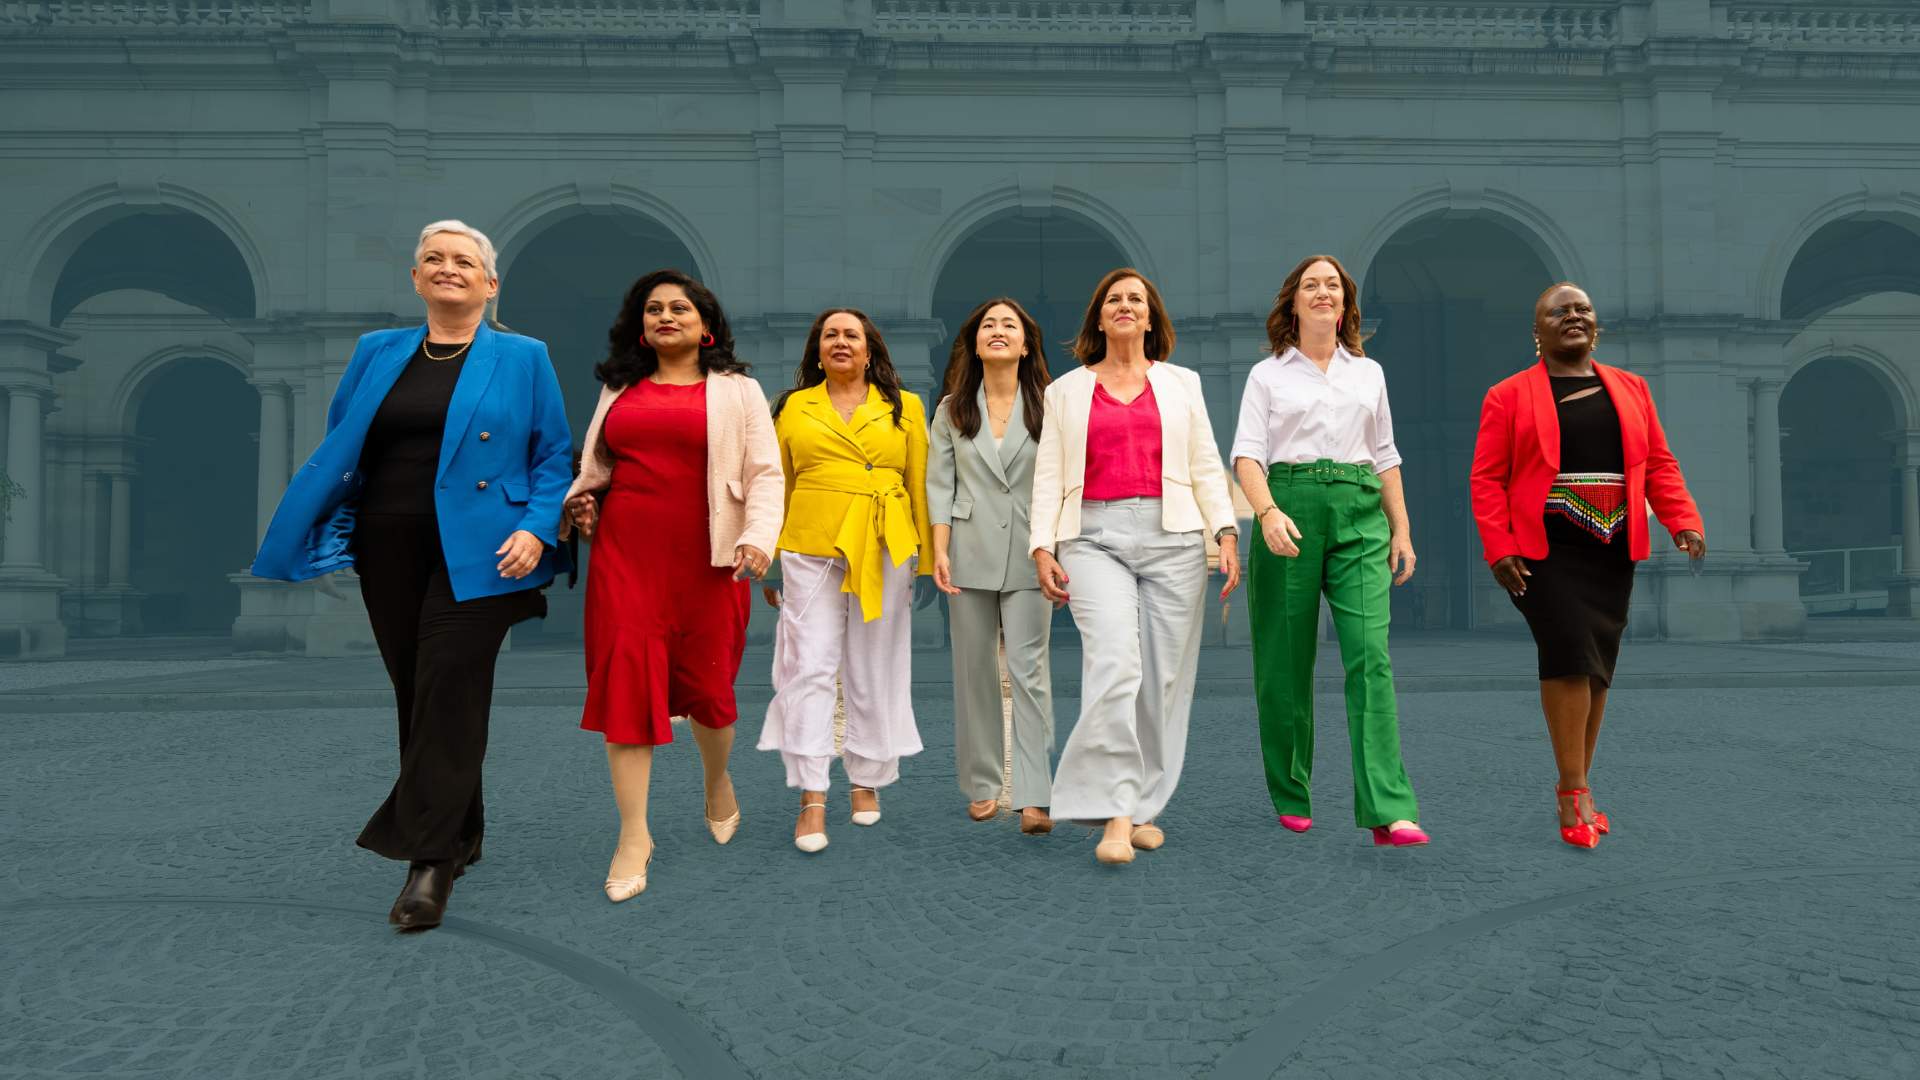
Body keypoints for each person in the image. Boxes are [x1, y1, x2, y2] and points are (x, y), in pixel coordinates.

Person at [252, 220, 572, 930]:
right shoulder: (379, 352)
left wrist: (535, 524)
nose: (447, 267)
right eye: (434, 258)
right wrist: (329, 524)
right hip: (388, 543)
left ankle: (428, 863)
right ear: (416, 277)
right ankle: (464, 825)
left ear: (490, 284)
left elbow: (554, 453)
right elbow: (347, 441)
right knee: (418, 691)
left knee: (447, 681)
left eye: (464, 260)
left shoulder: (523, 356)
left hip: (489, 549)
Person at [560, 269, 781, 901]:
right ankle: (635, 835)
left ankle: (718, 780)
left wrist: (759, 539)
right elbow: (596, 465)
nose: (665, 316)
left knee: (708, 689)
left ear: (704, 326)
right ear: (640, 326)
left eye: (679, 308)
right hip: (626, 556)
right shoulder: (618, 389)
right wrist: (582, 502)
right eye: (653, 309)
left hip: (711, 560)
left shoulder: (739, 391)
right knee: (627, 682)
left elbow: (766, 474)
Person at [1470, 282, 1705, 849]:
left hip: (1611, 549)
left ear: (1595, 325)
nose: (1573, 316)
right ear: (1538, 332)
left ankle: (1578, 782)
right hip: (1541, 553)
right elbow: (1487, 479)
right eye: (1559, 311)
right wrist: (1499, 547)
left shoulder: (1632, 389)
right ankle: (1574, 793)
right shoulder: (1507, 395)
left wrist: (1683, 520)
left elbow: (1660, 465)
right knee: (1569, 654)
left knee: (1597, 665)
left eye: (1583, 309)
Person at [1029, 268, 1241, 866]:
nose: (1125, 306)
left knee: (1165, 680)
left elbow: (1204, 464)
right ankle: (1116, 815)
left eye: (1136, 300)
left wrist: (1224, 531)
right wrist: (1041, 546)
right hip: (1092, 537)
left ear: (1151, 319)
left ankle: (1145, 805)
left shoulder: (1183, 384)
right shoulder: (1065, 390)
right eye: (1114, 300)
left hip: (1173, 536)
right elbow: (1048, 476)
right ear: (1099, 318)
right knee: (1116, 665)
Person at [1230, 254, 1429, 848]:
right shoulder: (1267, 376)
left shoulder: (1370, 374)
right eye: (1311, 285)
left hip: (1360, 510)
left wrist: (1402, 529)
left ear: (1346, 305)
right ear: (1294, 302)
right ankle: (1292, 789)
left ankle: (1389, 808)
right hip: (1287, 506)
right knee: (1285, 660)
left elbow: (1387, 455)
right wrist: (1265, 513)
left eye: (1333, 286)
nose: (1323, 293)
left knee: (1370, 655)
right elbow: (1247, 456)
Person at [759, 309, 934, 853]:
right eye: (830, 335)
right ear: (817, 350)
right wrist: (768, 558)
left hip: (886, 541)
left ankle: (867, 781)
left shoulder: (905, 406)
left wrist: (925, 559)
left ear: (869, 350)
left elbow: (920, 481)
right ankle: (812, 794)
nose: (840, 342)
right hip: (810, 543)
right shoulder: (790, 407)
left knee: (874, 666)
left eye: (850, 335)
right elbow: (775, 484)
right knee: (807, 666)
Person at [928, 298, 1056, 835]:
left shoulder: (1051, 406)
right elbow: (940, 484)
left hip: (1031, 550)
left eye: (1010, 325)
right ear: (975, 342)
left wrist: (1055, 544)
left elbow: (1063, 479)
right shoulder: (953, 408)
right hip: (968, 550)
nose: (998, 331)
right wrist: (938, 548)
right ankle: (982, 785)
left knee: (1029, 672)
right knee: (974, 671)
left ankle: (1032, 794)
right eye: (988, 325)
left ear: (1026, 344)